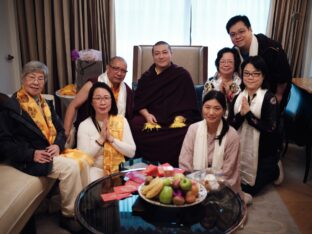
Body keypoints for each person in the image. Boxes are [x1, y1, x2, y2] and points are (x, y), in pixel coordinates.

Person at [0, 61, 84, 232]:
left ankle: (79, 207)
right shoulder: (10, 106)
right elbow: (4, 142)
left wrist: (58, 145)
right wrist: (31, 154)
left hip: (50, 150)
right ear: (23, 79)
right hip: (30, 157)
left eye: (40, 78)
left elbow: (61, 129)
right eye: (31, 77)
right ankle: (68, 216)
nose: (36, 82)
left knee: (83, 160)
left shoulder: (46, 103)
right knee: (72, 167)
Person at [131, 41, 201, 167]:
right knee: (136, 124)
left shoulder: (182, 75)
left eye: (164, 52)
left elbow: (189, 104)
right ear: (153, 56)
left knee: (188, 130)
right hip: (153, 119)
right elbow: (138, 103)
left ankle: (175, 167)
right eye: (157, 53)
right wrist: (146, 115)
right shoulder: (146, 78)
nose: (161, 56)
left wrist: (180, 118)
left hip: (176, 120)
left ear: (171, 54)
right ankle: (148, 165)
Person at [179, 91, 247, 201]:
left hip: (221, 185)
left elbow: (229, 172)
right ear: (202, 108)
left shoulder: (232, 135)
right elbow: (185, 162)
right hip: (194, 183)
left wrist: (210, 185)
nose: (211, 112)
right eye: (207, 107)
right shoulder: (193, 129)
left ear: (224, 111)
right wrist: (198, 184)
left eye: (217, 108)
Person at [228, 56, 281, 196]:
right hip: (240, 146)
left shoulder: (269, 98)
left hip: (263, 150)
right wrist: (241, 114)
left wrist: (249, 115)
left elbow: (271, 129)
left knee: (250, 189)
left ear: (263, 76)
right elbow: (231, 126)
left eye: (256, 73)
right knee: (230, 183)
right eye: (246, 73)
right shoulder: (238, 96)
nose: (250, 77)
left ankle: (275, 168)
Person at [226, 15, 292, 112]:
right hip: (246, 97)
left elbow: (283, 76)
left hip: (271, 95)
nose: (237, 37)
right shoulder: (234, 52)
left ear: (250, 29)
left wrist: (278, 97)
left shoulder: (271, 48)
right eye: (233, 34)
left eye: (241, 31)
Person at [64, 56, 133, 143]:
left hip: (116, 134)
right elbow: (73, 105)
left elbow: (130, 116)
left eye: (123, 71)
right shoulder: (92, 84)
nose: (119, 73)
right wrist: (66, 131)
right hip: (91, 131)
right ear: (107, 68)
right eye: (116, 68)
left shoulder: (127, 90)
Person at [77, 82, 136, 182]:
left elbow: (131, 152)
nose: (103, 102)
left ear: (112, 101)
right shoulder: (84, 125)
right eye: (98, 98)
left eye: (106, 98)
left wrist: (111, 139)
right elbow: (83, 159)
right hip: (94, 171)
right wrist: (101, 140)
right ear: (91, 102)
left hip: (118, 170)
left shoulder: (121, 121)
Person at [202, 47, 241, 116]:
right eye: (222, 61)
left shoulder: (241, 83)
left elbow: (240, 109)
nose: (226, 65)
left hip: (234, 122)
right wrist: (219, 95)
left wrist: (229, 94)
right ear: (218, 63)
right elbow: (206, 106)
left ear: (235, 64)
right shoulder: (210, 82)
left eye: (230, 62)